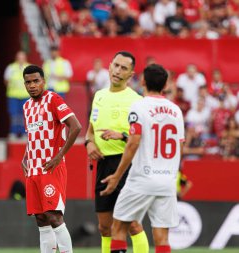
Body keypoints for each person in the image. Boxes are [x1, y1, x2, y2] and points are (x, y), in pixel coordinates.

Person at [100, 64, 185, 253]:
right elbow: (180, 146)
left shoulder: (139, 107)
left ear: (143, 81)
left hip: (142, 178)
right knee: (162, 238)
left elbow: (133, 143)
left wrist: (116, 176)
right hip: (167, 181)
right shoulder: (176, 111)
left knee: (119, 228)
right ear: (165, 85)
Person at [85, 51, 148, 253]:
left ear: (131, 74)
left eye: (124, 68)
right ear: (109, 66)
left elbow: (144, 139)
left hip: (127, 165)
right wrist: (89, 144)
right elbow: (90, 130)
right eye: (116, 66)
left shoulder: (137, 100)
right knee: (104, 227)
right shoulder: (99, 96)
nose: (118, 71)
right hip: (103, 165)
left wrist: (121, 136)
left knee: (131, 224)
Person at [21, 65, 81, 253]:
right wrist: (25, 156)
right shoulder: (26, 106)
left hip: (50, 168)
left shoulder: (53, 99)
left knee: (54, 216)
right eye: (28, 82)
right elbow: (33, 135)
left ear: (43, 81)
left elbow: (76, 126)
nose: (32, 85)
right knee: (40, 219)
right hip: (33, 169)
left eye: (36, 81)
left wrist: (60, 155)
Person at [4, 51, 30, 139]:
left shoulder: (29, 67)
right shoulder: (11, 67)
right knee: (14, 115)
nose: (20, 59)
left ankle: (24, 133)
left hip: (25, 95)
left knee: (25, 115)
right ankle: (13, 132)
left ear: (25, 58)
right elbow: (6, 80)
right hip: (13, 95)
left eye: (22, 57)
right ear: (16, 58)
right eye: (19, 57)